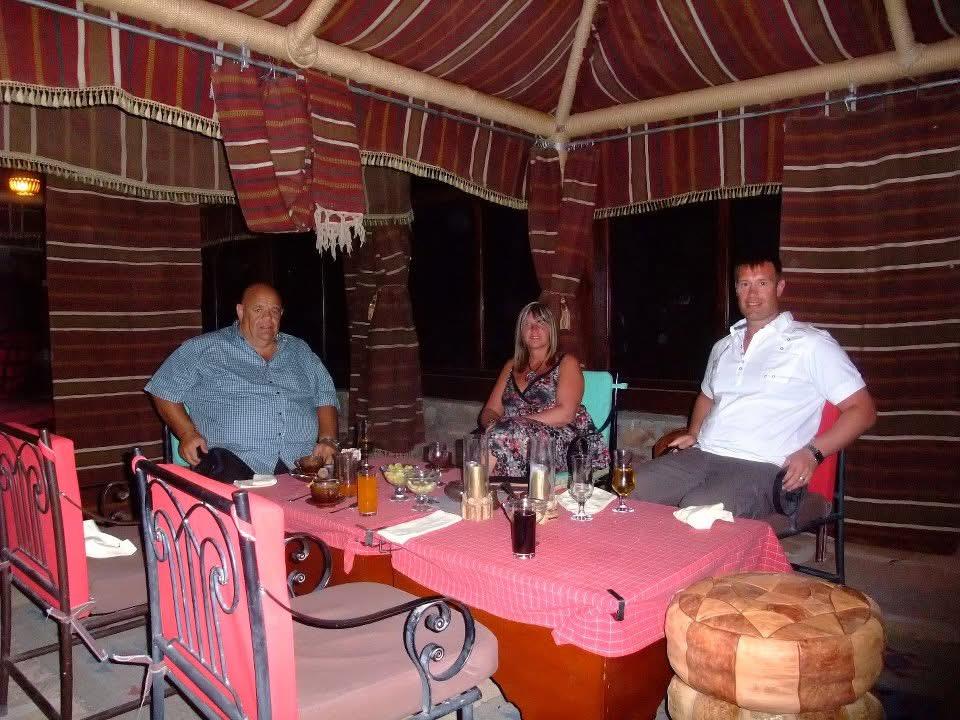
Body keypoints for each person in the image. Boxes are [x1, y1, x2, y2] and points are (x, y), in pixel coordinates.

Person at [632, 255, 876, 517]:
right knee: (625, 487)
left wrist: (813, 453)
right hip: (703, 456)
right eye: (744, 284)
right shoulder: (723, 347)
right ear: (736, 289)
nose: (752, 294)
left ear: (779, 287)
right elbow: (706, 397)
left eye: (762, 283)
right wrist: (694, 433)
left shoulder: (811, 344)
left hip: (764, 467)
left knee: (699, 509)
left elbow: (863, 410)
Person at [145, 282, 339, 475]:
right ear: (241, 311)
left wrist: (328, 440)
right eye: (258, 309)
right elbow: (163, 388)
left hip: (302, 464)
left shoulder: (300, 351)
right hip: (234, 464)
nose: (267, 318)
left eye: (274, 311)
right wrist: (187, 433)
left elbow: (325, 395)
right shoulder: (205, 348)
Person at [480, 301, 609, 477]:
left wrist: (514, 423)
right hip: (511, 437)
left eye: (541, 323)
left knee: (504, 436)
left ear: (552, 330)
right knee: (495, 438)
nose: (533, 329)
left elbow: (565, 414)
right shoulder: (511, 366)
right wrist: (493, 424)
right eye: (527, 324)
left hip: (561, 441)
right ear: (520, 332)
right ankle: (493, 494)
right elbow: (490, 410)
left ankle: (477, 490)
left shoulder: (566, 362)